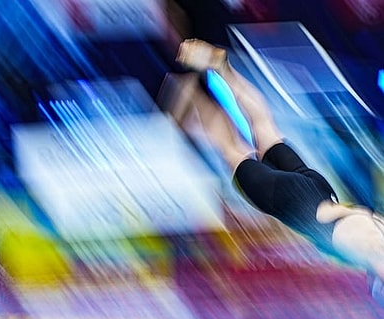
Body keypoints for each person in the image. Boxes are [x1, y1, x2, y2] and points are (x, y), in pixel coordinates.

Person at [160, 39, 384, 279]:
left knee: (266, 129)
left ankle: (224, 69)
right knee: (232, 150)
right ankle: (188, 88)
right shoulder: (375, 249)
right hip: (292, 201)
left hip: (319, 191)